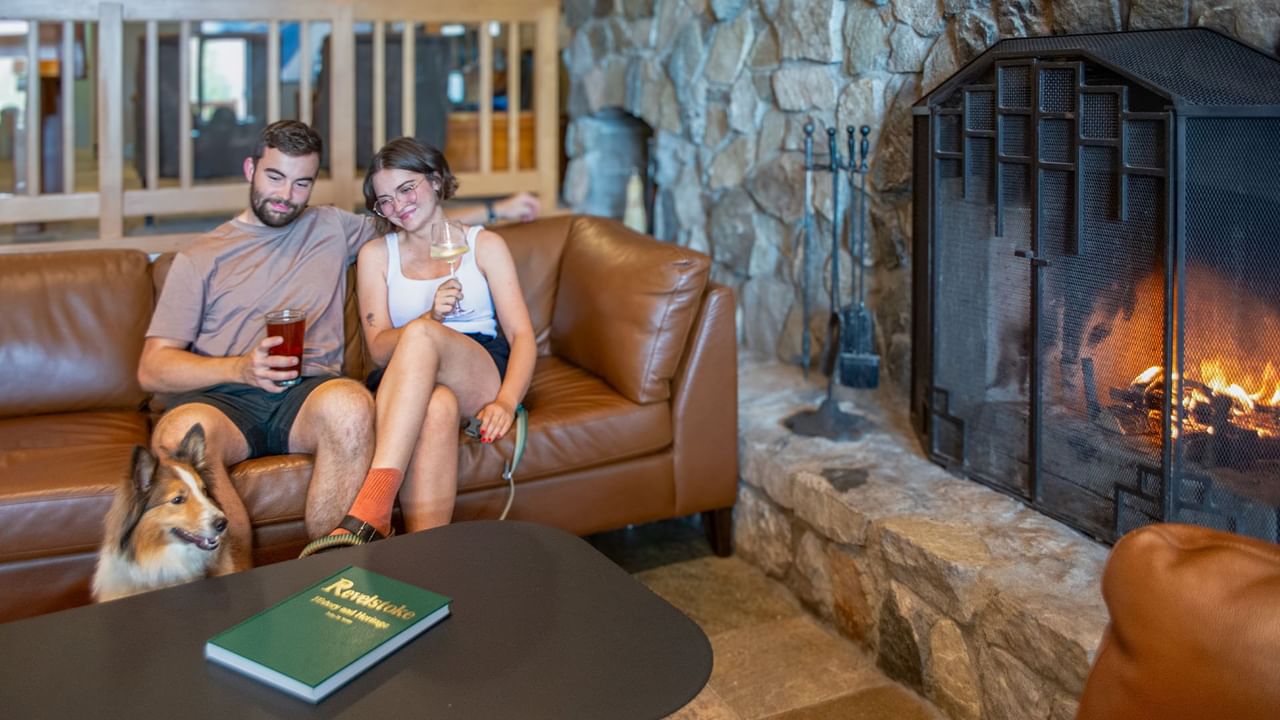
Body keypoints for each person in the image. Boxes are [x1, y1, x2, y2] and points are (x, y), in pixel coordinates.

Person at [138, 120, 540, 570]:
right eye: (274, 177)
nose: (286, 194)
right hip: (222, 398)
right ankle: (237, 586)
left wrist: (497, 207)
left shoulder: (330, 227)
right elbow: (153, 368)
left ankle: (343, 570)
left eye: (301, 182)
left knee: (351, 407)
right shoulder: (199, 258)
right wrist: (239, 369)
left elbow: (422, 215)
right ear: (251, 169)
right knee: (177, 435)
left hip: (309, 390)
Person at [299, 137, 535, 555]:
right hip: (404, 376)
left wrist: (506, 401)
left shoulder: (484, 244)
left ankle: (372, 508)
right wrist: (431, 316)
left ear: (436, 180)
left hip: (477, 368)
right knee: (437, 405)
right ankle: (424, 558)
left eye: (407, 189)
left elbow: (521, 337)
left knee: (422, 335)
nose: (398, 206)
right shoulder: (376, 254)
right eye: (384, 200)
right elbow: (378, 350)